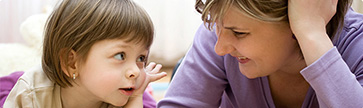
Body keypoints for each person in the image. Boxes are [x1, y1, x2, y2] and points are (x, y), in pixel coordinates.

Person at [158, 0, 363, 107]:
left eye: (240, 33)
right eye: (218, 26)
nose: (220, 49)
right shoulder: (217, 34)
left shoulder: (356, 46)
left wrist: (312, 34)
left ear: (294, 23)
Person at [3, 0, 167, 107]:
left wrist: (136, 97)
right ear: (71, 63)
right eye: (120, 55)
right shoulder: (31, 96)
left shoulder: (121, 95)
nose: (136, 71)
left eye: (141, 58)